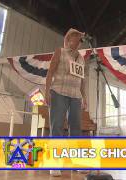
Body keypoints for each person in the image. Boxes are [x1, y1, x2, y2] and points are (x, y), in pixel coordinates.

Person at [45, 28, 88, 177]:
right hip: (58, 92)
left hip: (76, 96)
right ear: (69, 39)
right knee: (57, 126)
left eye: (80, 39)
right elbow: (50, 72)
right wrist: (46, 91)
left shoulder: (81, 58)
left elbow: (82, 80)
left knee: (76, 128)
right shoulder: (60, 52)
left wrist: (84, 98)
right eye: (76, 37)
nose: (79, 41)